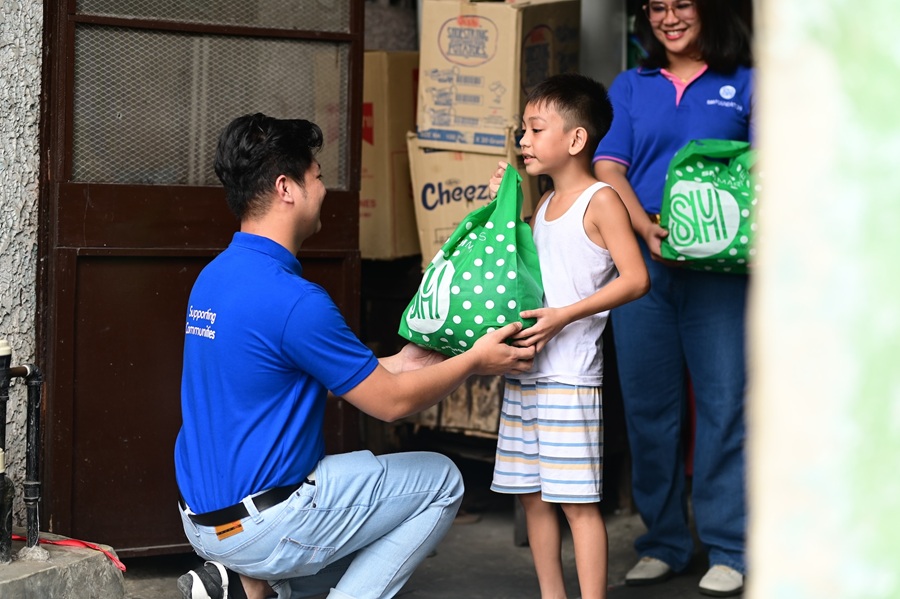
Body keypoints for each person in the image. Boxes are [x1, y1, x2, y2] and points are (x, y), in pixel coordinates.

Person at [174, 113, 536, 599]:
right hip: (264, 522)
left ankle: (247, 585)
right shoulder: (295, 301)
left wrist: (414, 360)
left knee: (371, 525)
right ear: (286, 188)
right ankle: (257, 573)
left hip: (202, 522)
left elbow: (349, 379)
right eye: (317, 176)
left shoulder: (215, 277)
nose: (324, 189)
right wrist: (475, 362)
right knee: (441, 482)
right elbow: (391, 403)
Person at [592, 1, 753, 596]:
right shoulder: (632, 85)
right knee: (648, 409)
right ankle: (663, 542)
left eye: (681, 3)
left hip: (724, 268)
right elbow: (609, 167)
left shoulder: (746, 81)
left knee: (724, 405)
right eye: (657, 6)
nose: (669, 17)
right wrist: (645, 228)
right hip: (642, 266)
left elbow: (769, 167)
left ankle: (729, 547)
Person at [489, 74, 650, 599]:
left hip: (570, 376)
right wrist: (501, 204)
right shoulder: (542, 205)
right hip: (526, 370)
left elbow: (636, 279)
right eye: (524, 130)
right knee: (533, 498)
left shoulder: (601, 200)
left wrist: (564, 316)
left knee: (577, 505)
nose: (524, 140)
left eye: (536, 129)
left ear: (576, 139)